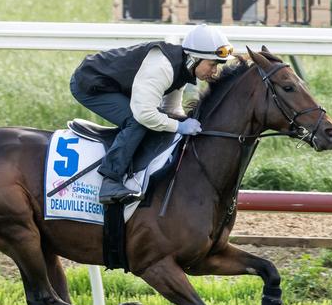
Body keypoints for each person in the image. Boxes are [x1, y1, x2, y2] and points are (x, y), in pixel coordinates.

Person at [70, 24, 234, 205]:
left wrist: (183, 123)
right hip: (90, 84)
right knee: (136, 121)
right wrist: (179, 126)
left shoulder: (183, 69)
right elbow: (144, 114)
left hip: (114, 84)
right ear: (194, 58)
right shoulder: (163, 67)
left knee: (158, 121)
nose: (215, 71)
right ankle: (110, 181)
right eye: (212, 64)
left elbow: (171, 109)